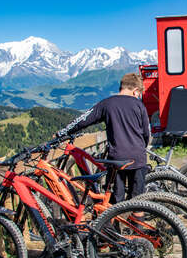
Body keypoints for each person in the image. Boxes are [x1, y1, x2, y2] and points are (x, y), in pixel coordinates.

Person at [56, 73, 149, 204]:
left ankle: (114, 223)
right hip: (138, 157)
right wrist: (140, 148)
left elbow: (83, 120)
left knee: (116, 198)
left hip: (117, 158)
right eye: (139, 93)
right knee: (138, 199)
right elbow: (146, 133)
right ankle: (137, 224)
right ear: (135, 91)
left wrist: (62, 133)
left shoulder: (107, 104)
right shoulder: (139, 105)